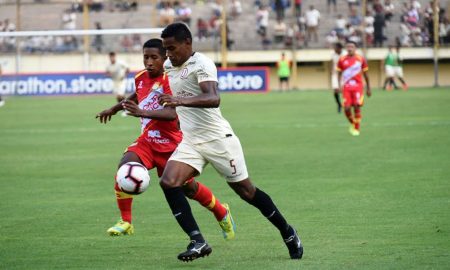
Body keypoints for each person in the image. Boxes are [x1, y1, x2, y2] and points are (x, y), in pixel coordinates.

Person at [157, 22, 303, 262]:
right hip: (192, 141)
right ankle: (198, 241)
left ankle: (287, 232)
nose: (169, 55)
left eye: (172, 49)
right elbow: (152, 79)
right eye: (166, 50)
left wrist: (178, 101)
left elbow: (213, 98)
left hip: (218, 140)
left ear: (187, 44)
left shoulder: (201, 64)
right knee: (169, 181)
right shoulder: (168, 65)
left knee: (247, 192)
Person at [96, 38, 235, 239]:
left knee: (190, 189)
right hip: (148, 141)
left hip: (173, 145)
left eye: (154, 57)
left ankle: (221, 211)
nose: (149, 62)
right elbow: (136, 95)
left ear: (165, 58)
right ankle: (126, 221)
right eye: (146, 57)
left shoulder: (171, 80)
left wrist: (142, 112)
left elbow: (172, 114)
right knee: (125, 166)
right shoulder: (141, 77)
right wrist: (114, 108)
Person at [337, 41, 371, 136]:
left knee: (356, 105)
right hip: (346, 87)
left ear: (355, 48)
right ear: (346, 48)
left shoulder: (361, 59)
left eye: (352, 46)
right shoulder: (342, 60)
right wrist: (339, 85)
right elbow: (339, 74)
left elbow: (366, 74)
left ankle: (357, 128)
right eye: (348, 46)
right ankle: (353, 122)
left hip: (358, 86)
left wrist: (368, 88)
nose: (350, 48)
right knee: (347, 108)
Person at [331, 43, 343, 113]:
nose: (334, 49)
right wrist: (332, 71)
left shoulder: (344, 54)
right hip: (335, 74)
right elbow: (332, 62)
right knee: (336, 90)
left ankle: (347, 103)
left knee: (344, 90)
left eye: (335, 47)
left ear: (339, 48)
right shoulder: (333, 54)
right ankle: (339, 104)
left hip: (343, 74)